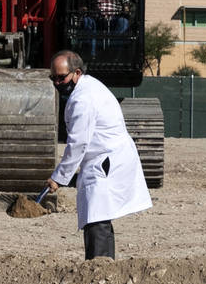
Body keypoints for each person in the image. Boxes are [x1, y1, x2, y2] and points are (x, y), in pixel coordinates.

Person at [44, 50, 151, 259]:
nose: (57, 83)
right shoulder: (87, 87)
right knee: (98, 217)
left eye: (61, 77)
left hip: (106, 160)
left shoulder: (83, 99)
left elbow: (78, 143)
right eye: (53, 78)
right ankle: (102, 266)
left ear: (76, 72)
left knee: (97, 216)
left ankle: (99, 269)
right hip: (102, 158)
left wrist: (59, 177)